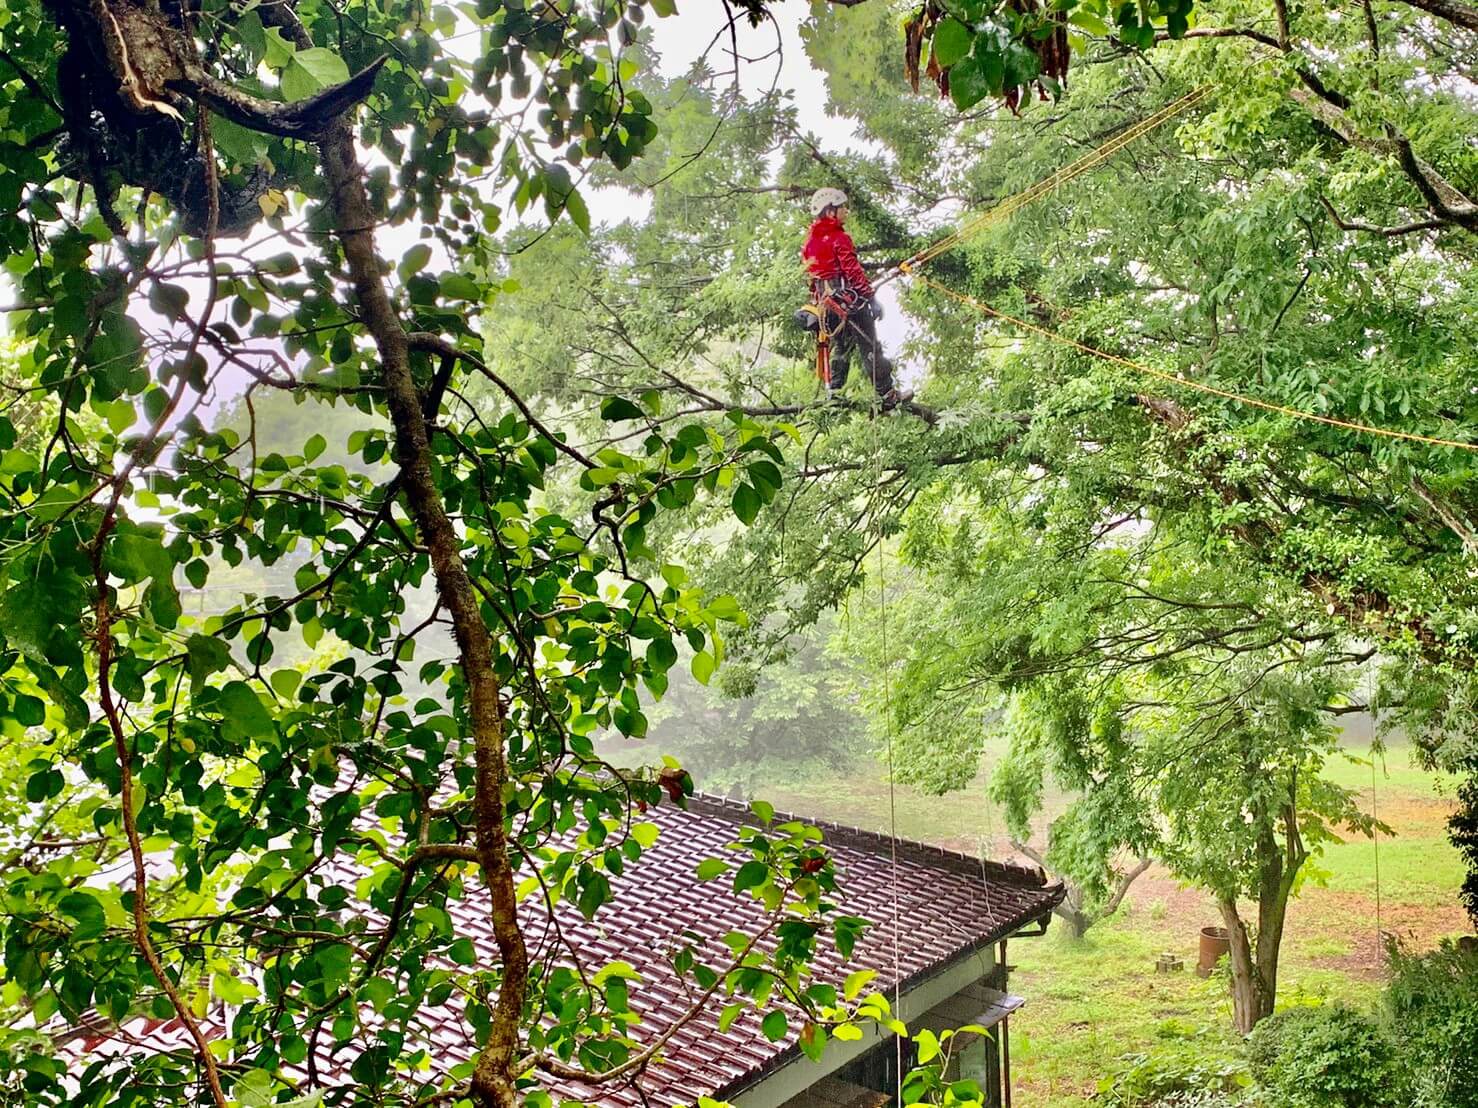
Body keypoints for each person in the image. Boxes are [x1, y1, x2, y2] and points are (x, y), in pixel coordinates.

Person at [800, 187, 908, 408]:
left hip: (825, 307)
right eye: (842, 207)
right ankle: (886, 394)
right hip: (848, 303)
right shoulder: (839, 238)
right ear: (831, 211)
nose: (846, 211)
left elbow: (812, 278)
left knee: (841, 347)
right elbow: (852, 271)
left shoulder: (810, 243)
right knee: (870, 345)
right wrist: (871, 299)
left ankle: (835, 395)